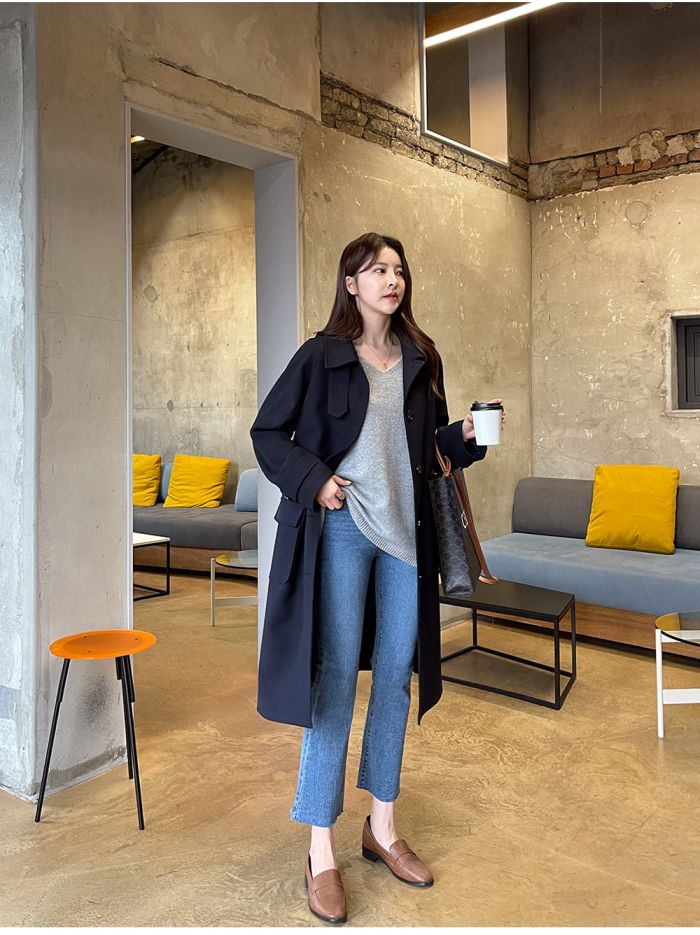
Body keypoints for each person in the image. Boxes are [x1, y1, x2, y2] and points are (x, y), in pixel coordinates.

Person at [250, 232, 506, 924]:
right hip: (341, 531)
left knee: (395, 678)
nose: (391, 279)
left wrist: (467, 436)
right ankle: (320, 849)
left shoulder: (421, 358)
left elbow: (425, 451)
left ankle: (382, 827)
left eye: (397, 269)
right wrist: (315, 480)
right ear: (351, 284)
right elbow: (268, 433)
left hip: (406, 539)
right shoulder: (321, 356)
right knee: (334, 680)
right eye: (376, 270)